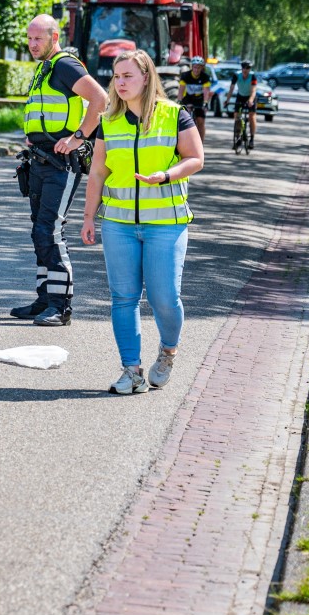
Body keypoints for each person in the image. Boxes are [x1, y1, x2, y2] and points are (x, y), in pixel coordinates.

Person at [79, 49, 204, 394]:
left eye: (128, 76)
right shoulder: (109, 120)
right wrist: (89, 217)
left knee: (164, 297)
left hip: (166, 224)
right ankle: (131, 370)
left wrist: (166, 175)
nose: (120, 83)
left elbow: (195, 158)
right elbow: (99, 171)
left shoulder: (174, 115)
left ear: (146, 78)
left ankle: (168, 350)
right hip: (118, 224)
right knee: (123, 297)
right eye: (116, 77)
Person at [12, 13, 108, 327]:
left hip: (60, 165)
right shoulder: (44, 68)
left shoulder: (66, 64)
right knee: (39, 232)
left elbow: (100, 99)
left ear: (54, 38)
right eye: (29, 38)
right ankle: (44, 299)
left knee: (49, 231)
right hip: (38, 160)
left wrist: (78, 136)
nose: (32, 44)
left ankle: (61, 305)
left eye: (38, 38)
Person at [179, 56, 211, 139]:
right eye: (195, 67)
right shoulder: (185, 76)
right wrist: (179, 101)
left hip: (199, 99)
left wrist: (206, 103)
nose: (196, 69)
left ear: (202, 68)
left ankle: (200, 143)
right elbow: (181, 90)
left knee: (201, 122)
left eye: (199, 67)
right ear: (192, 67)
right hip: (188, 98)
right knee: (187, 115)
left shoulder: (205, 77)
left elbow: (206, 92)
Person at [231, 60, 259, 149]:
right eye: (244, 67)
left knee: (252, 116)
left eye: (248, 68)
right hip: (240, 96)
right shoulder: (236, 75)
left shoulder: (253, 76)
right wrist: (227, 100)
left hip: (250, 96)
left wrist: (251, 100)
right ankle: (238, 136)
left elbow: (253, 90)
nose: (245, 69)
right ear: (241, 68)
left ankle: (252, 139)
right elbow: (231, 89)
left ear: (250, 69)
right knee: (237, 116)